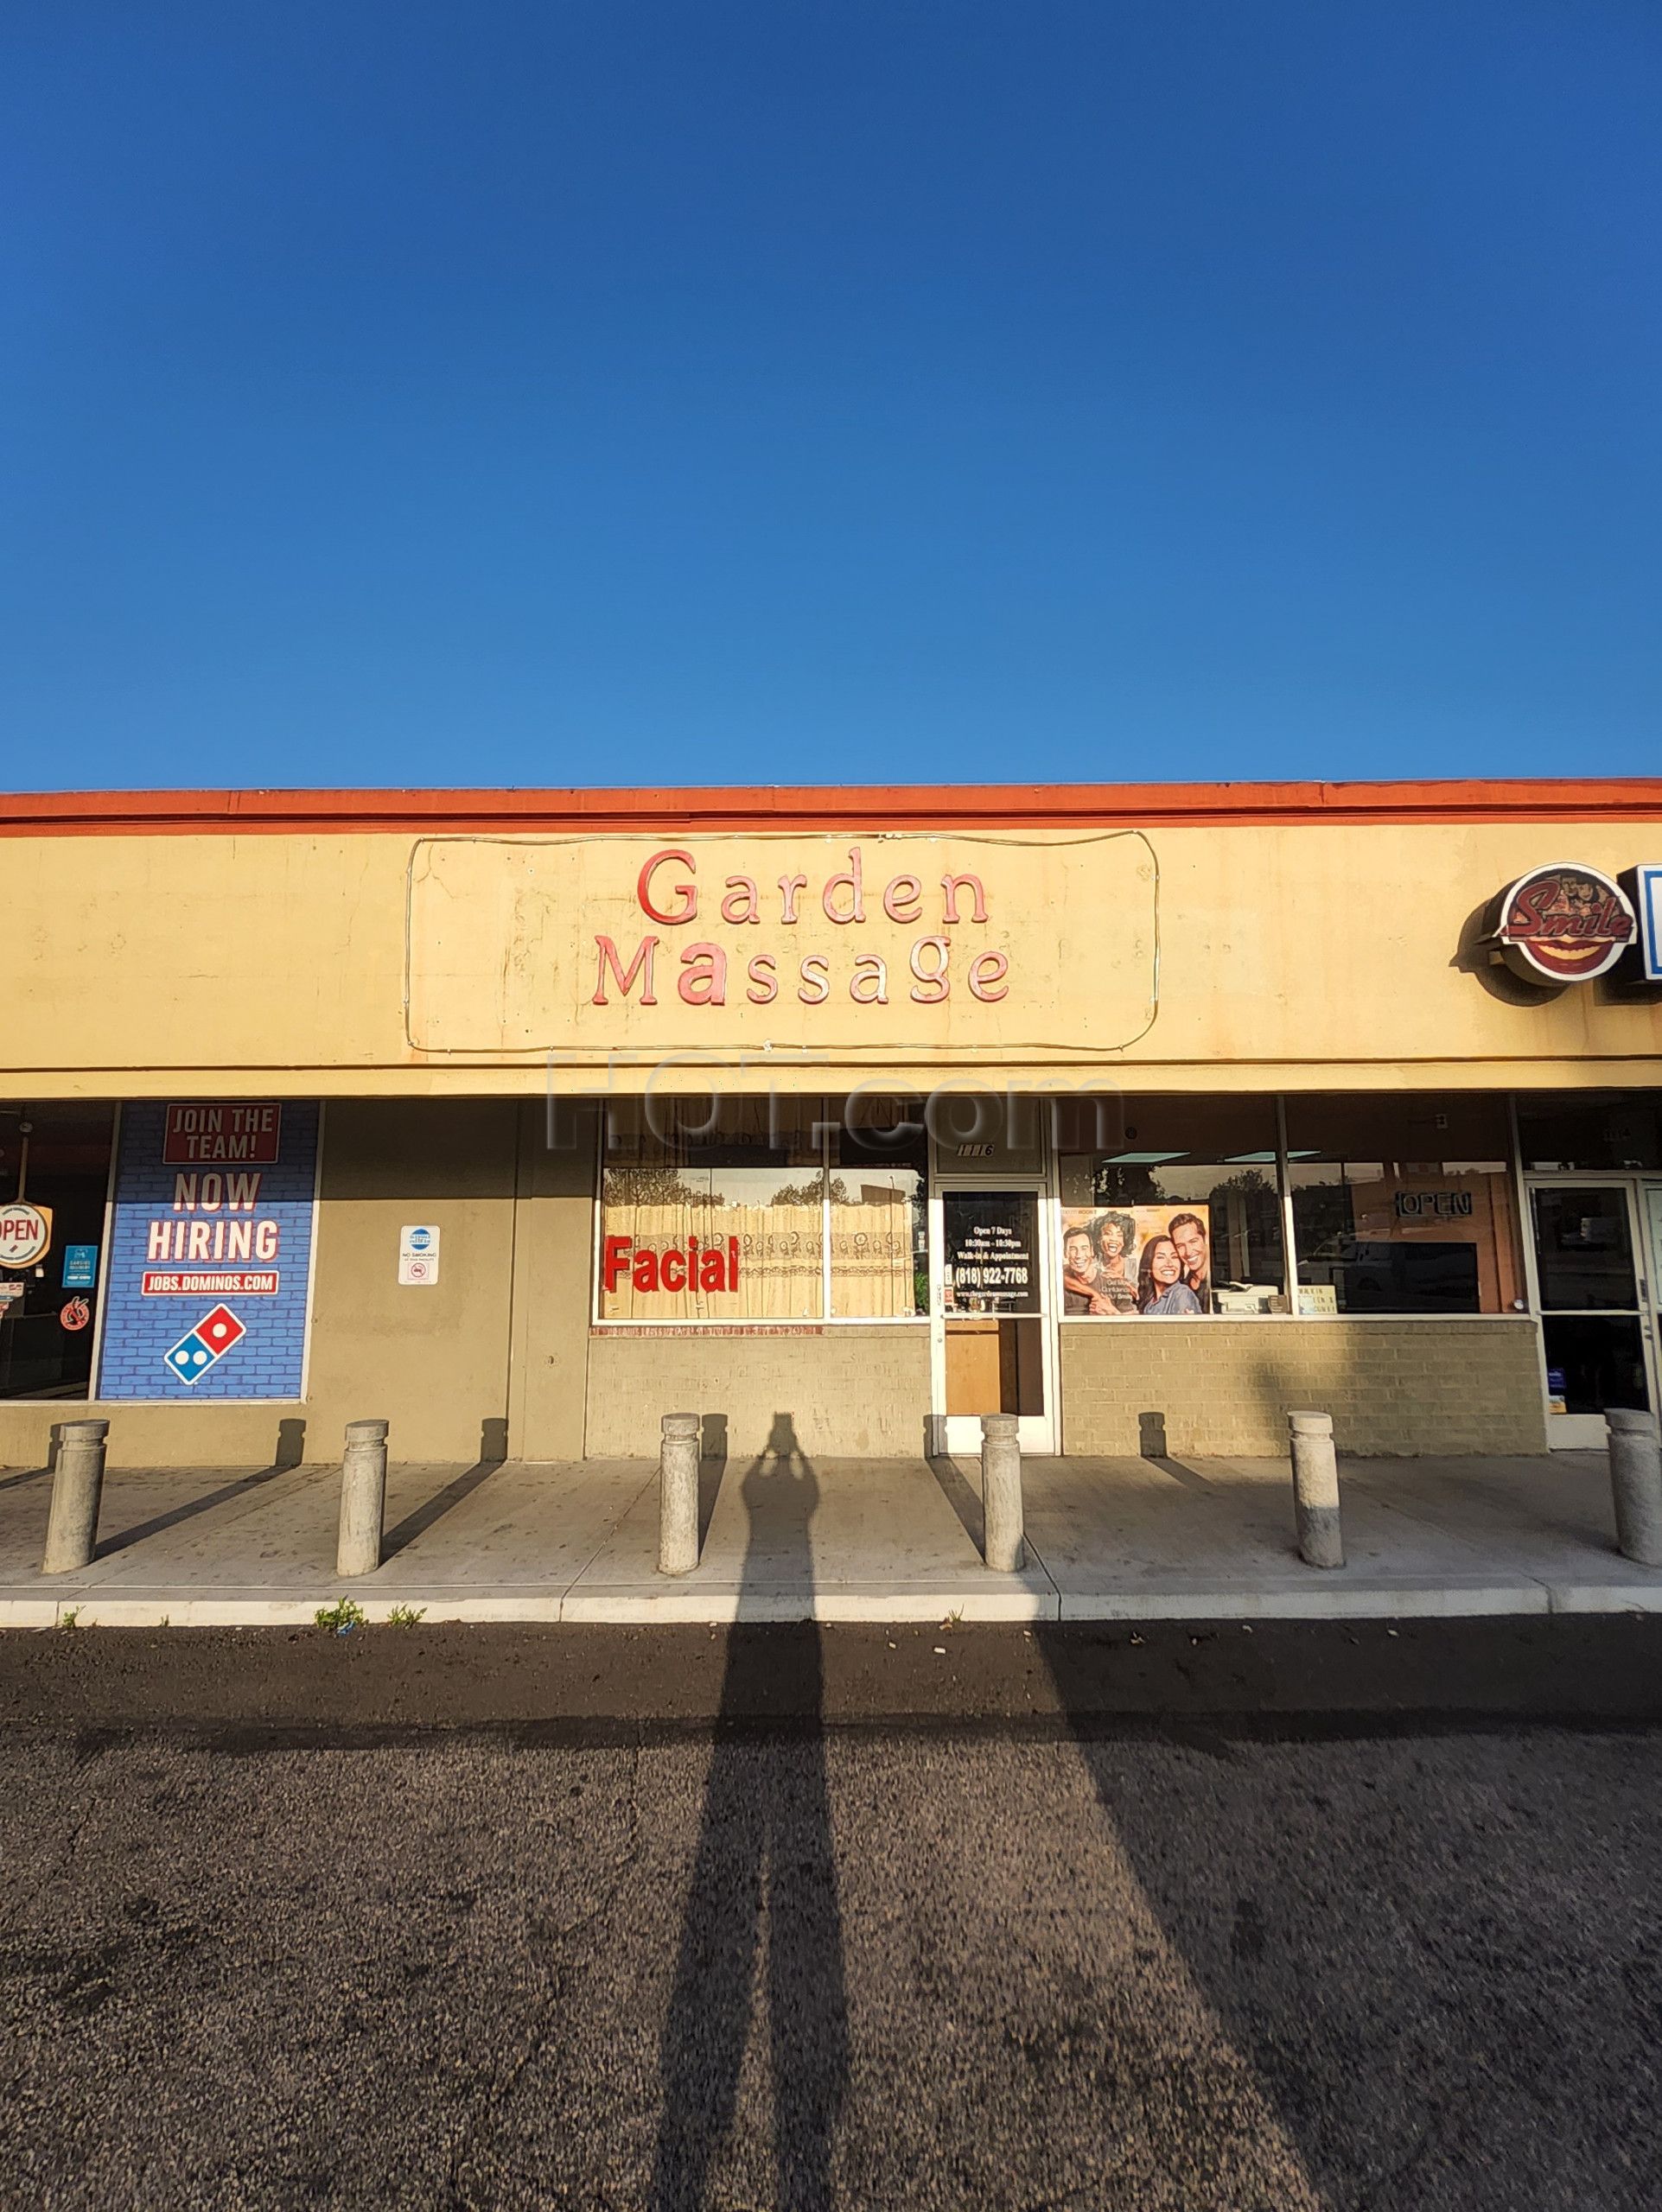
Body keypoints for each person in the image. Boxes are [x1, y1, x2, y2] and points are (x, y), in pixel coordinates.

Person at [1137, 1233, 1202, 1317]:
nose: (1169, 1263)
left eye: (1174, 1257)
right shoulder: (1149, 1304)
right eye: (1161, 1257)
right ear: (1149, 1265)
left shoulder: (1182, 1293)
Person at [1090, 1211, 1139, 1313]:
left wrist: (1123, 1282)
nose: (1113, 1239)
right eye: (1107, 1234)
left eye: (1119, 1235)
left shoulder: (1135, 1266)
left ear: (1125, 1240)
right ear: (1099, 1239)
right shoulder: (1092, 1266)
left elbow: (1147, 1300)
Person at [1168, 1211, 1211, 1310]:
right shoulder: (1181, 1286)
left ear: (1204, 1240)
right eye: (1180, 1246)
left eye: (1193, 1242)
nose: (1188, 1252)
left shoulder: (1218, 1279)